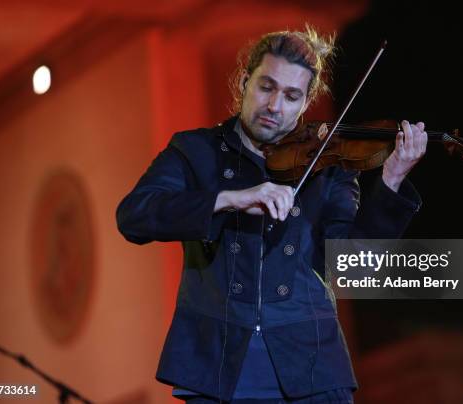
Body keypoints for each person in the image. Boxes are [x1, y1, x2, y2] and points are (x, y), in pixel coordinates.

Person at [116, 26, 426, 404]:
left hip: (310, 369)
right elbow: (134, 215)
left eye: (291, 96)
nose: (275, 106)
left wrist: (391, 181)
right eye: (266, 87)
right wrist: (230, 199)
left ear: (305, 103)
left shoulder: (328, 167)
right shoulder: (195, 151)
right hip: (218, 367)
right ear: (244, 81)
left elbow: (352, 267)